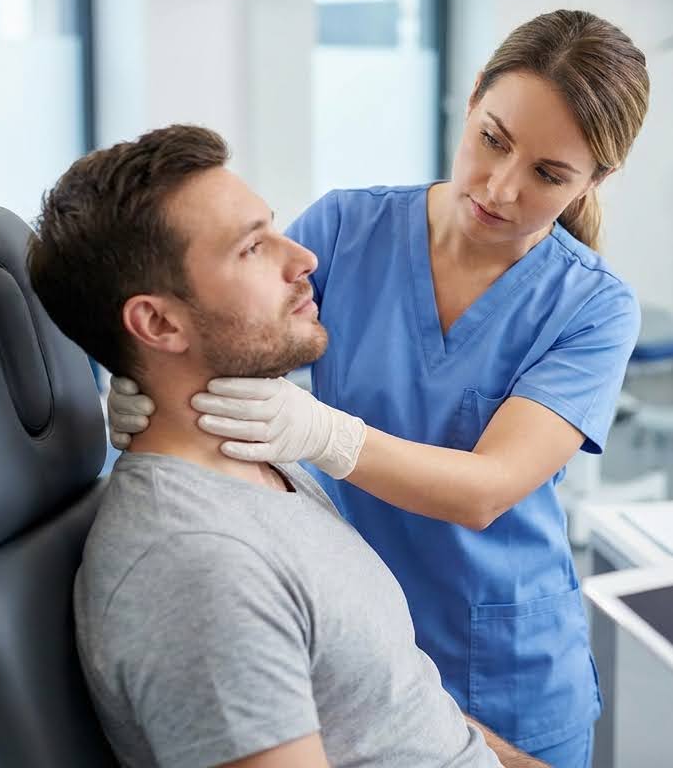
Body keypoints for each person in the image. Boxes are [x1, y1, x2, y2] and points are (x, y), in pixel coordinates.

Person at [109, 9, 651, 766]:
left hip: (503, 668)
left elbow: (487, 489)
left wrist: (327, 434)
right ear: (470, 102)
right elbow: (242, 323)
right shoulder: (345, 228)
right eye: (492, 139)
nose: (499, 185)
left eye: (548, 175)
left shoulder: (592, 306)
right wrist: (140, 373)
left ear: (597, 178)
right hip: (355, 654)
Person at [27, 124, 545, 768]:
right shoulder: (200, 566)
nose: (304, 258)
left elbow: (397, 714)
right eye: (252, 248)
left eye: (272, 226)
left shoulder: (268, 464)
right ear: (158, 322)